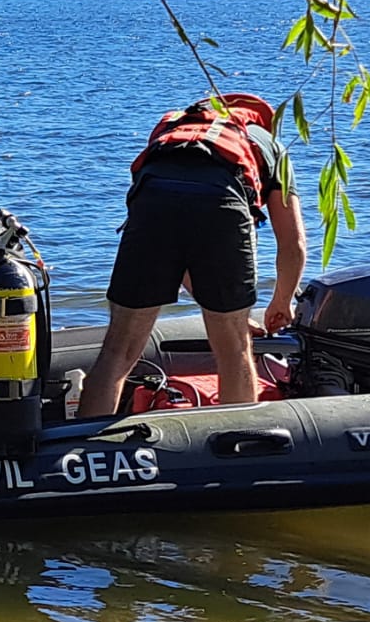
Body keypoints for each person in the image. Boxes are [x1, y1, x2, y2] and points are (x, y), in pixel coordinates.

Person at [79, 92, 307, 416]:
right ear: (260, 119)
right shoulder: (269, 147)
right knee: (234, 349)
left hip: (152, 203)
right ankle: (237, 444)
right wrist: (280, 302)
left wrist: (219, 299)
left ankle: (86, 452)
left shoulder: (173, 129)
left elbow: (179, 240)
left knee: (118, 349)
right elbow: (292, 242)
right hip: (221, 202)